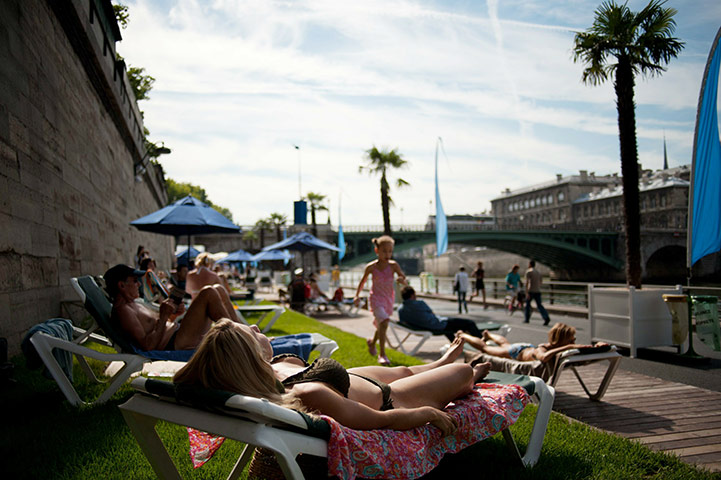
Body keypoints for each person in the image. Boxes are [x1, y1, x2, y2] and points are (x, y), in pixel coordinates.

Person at [173, 319, 492, 434]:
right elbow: (379, 421)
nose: (257, 328)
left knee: (407, 369)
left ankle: (441, 360)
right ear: (249, 357)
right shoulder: (307, 395)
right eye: (251, 331)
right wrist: (422, 412)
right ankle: (469, 374)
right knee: (462, 371)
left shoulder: (269, 374)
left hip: (347, 379)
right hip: (389, 400)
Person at [104, 264, 238, 351]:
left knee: (218, 289)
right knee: (208, 292)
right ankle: (239, 339)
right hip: (176, 342)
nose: (139, 284)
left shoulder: (134, 304)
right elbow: (148, 346)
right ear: (121, 286)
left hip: (178, 333)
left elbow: (158, 325)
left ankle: (241, 334)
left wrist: (173, 314)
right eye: (134, 281)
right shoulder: (123, 311)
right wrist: (163, 316)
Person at [354, 236, 408, 366]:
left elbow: (403, 278)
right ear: (376, 250)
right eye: (384, 251)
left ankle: (372, 343)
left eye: (390, 251)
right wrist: (357, 295)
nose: (387, 254)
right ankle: (382, 354)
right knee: (384, 322)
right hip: (376, 299)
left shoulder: (394, 265)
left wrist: (402, 281)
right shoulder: (371, 267)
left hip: (389, 299)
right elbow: (363, 282)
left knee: (382, 325)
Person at [457, 322, 605, 363]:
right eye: (570, 340)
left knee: (504, 343)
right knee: (485, 348)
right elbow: (543, 358)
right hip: (516, 352)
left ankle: (489, 335)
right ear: (561, 340)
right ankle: (463, 334)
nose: (573, 342)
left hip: (523, 347)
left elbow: (579, 348)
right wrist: (570, 346)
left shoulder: (554, 347)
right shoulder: (542, 349)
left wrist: (596, 347)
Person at [398, 286, 486, 341]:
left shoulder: (400, 310)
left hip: (423, 327)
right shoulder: (420, 303)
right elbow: (432, 314)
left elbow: (404, 322)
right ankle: (483, 343)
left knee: (449, 329)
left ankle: (456, 345)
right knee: (469, 323)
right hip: (438, 324)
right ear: (412, 295)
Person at [524, 260, 551, 325]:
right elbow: (541, 282)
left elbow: (527, 282)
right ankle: (546, 317)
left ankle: (527, 319)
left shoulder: (529, 272)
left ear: (530, 264)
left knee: (527, 305)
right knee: (539, 305)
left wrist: (527, 292)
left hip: (531, 291)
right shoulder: (538, 272)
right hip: (538, 290)